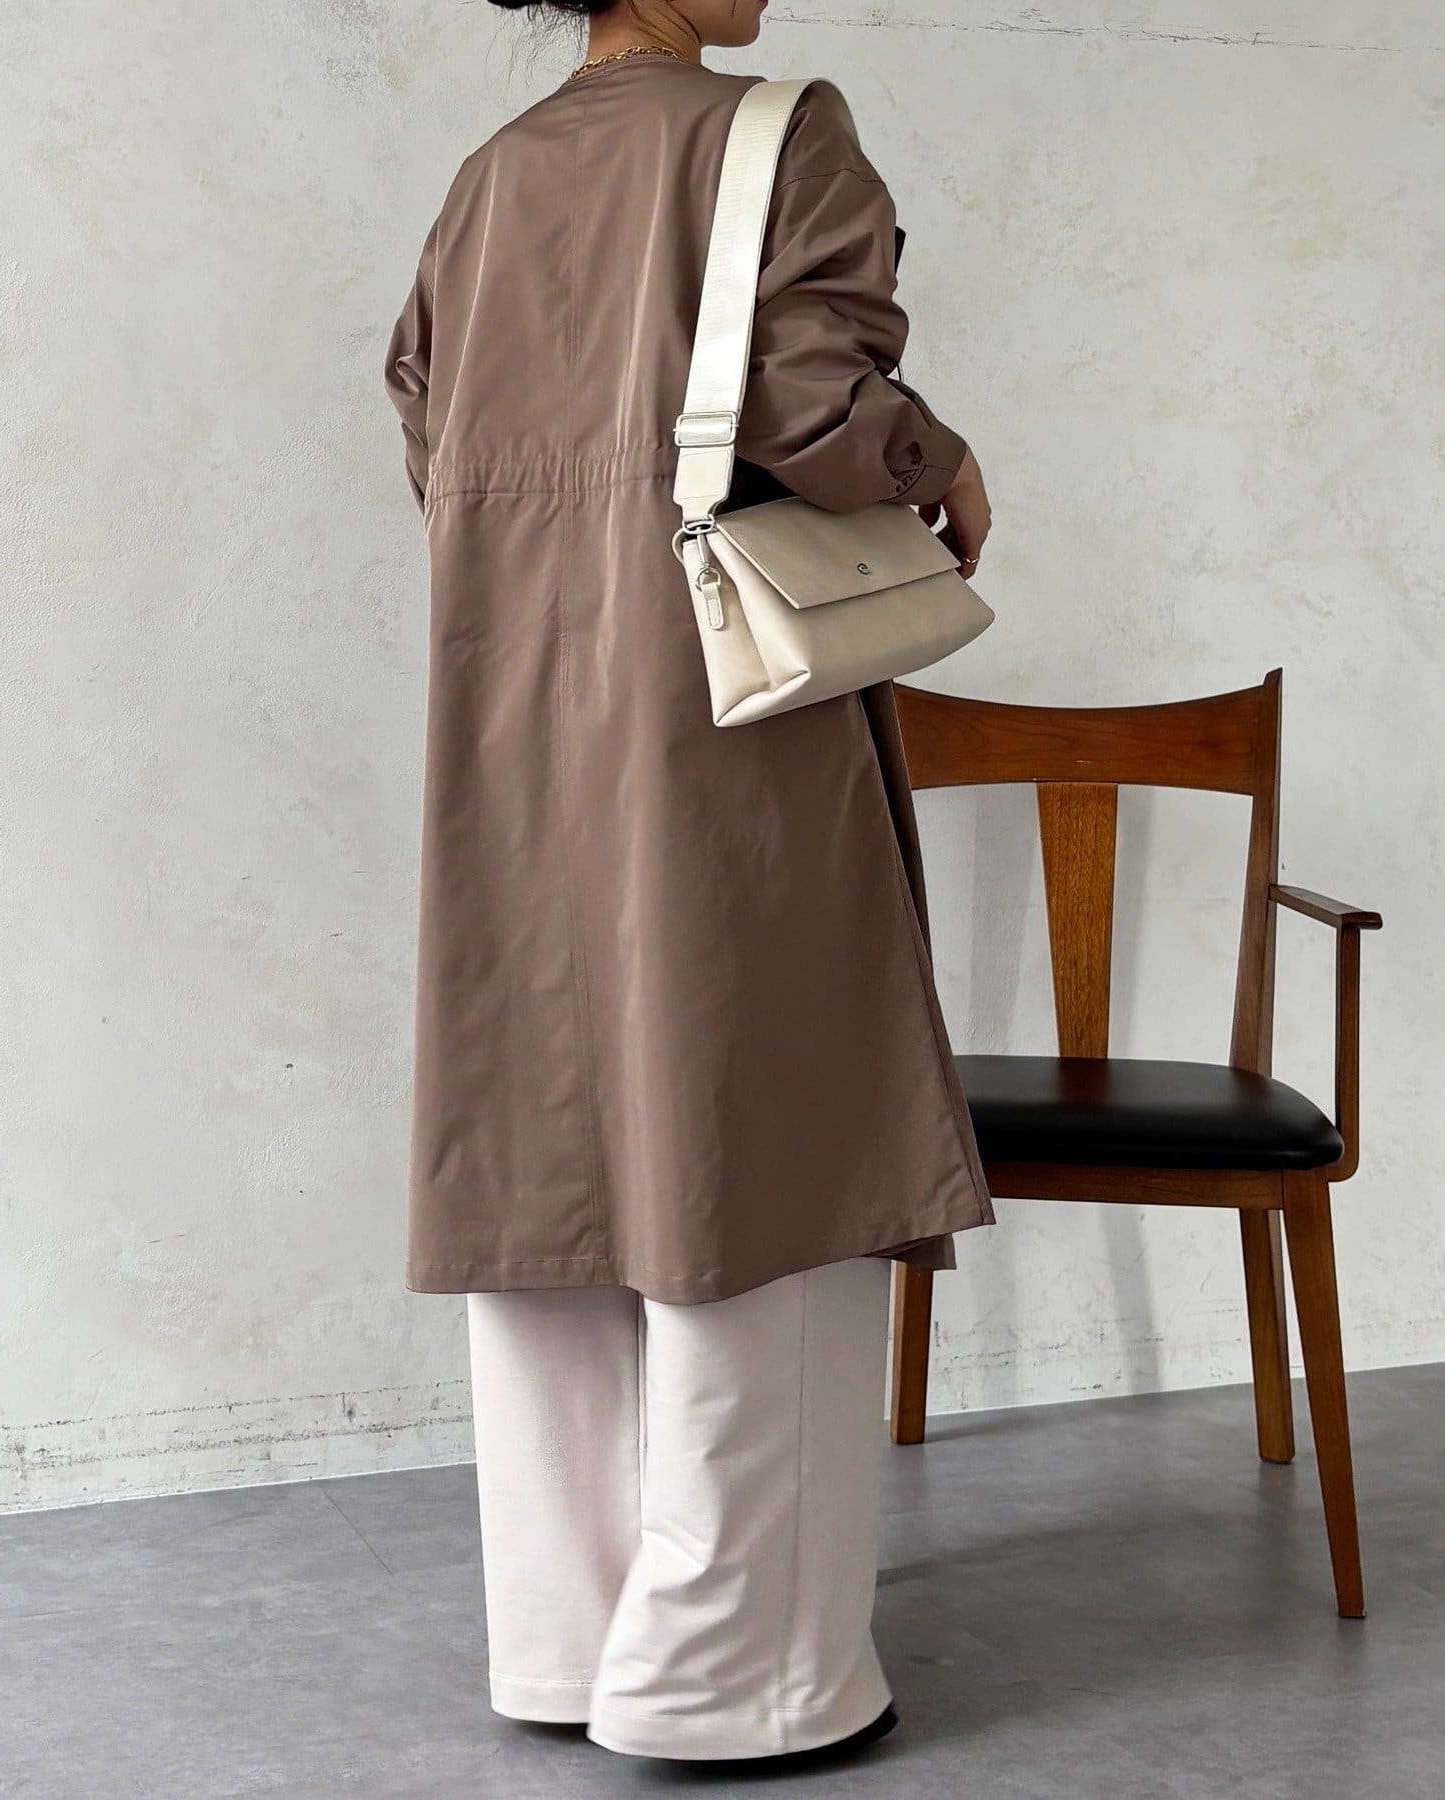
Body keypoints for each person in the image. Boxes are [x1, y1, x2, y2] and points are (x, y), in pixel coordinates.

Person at [383, 0, 994, 1768]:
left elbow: (426, 419)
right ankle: (741, 1681)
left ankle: (566, 1643)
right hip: (720, 719)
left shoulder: (492, 176)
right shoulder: (777, 128)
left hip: (512, 712)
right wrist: (938, 461)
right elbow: (811, 404)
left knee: (553, 1144)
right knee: (762, 1136)